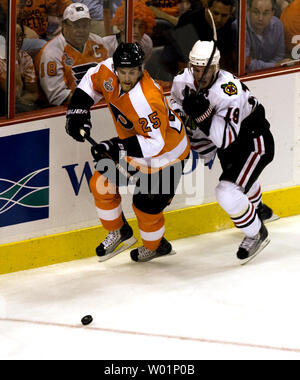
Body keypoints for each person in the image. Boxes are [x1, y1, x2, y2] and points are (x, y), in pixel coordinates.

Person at [65, 42, 190, 262]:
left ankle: (156, 247)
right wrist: (78, 112)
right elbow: (90, 81)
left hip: (168, 156)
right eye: (122, 72)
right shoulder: (107, 71)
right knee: (101, 183)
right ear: (115, 68)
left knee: (145, 206)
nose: (127, 78)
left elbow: (155, 144)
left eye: (132, 72)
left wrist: (114, 147)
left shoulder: (147, 98)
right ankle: (120, 232)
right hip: (139, 148)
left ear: (141, 68)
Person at [170, 40, 275, 264]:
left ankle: (256, 232)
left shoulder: (228, 91)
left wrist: (201, 114)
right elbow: (175, 103)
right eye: (196, 69)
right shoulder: (182, 79)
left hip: (253, 141)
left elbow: (223, 139)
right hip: (229, 142)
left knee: (227, 191)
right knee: (240, 179)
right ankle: (259, 209)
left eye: (206, 69)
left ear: (216, 67)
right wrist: (182, 112)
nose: (201, 75)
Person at [35, 3, 109, 106]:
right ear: (64, 25)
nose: (81, 30)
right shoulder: (51, 53)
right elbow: (59, 98)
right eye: (76, 25)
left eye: (85, 25)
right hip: (64, 112)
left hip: (99, 105)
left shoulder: (99, 43)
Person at [161, 0, 237, 77]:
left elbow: (229, 62)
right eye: (215, 13)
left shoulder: (230, 25)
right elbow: (185, 68)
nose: (218, 19)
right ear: (207, 8)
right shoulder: (188, 21)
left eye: (224, 15)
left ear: (230, 14)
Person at [238, 0, 289, 72]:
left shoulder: (278, 25)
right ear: (248, 11)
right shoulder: (239, 27)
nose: (260, 18)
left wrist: (272, 68)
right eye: (256, 12)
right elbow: (246, 63)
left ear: (272, 13)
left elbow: (279, 56)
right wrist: (274, 66)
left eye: (265, 13)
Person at [0, 23, 40, 113]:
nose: (18, 40)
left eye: (21, 36)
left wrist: (22, 102)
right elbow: (13, 93)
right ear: (4, 38)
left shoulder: (25, 57)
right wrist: (14, 61)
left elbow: (34, 93)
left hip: (17, 105)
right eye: (14, 36)